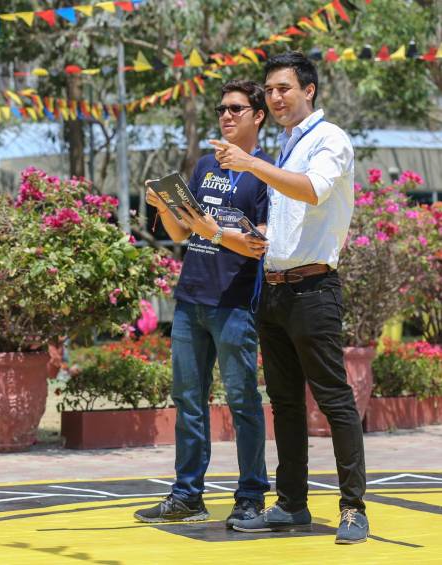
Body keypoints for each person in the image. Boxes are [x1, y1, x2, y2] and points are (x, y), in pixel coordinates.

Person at [210, 51, 368, 544]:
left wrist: (251, 164)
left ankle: (353, 510)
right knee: (284, 404)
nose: (275, 98)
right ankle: (292, 505)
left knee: (335, 400)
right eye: (271, 90)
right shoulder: (286, 145)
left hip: (315, 289)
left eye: (284, 89)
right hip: (274, 290)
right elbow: (287, 217)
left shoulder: (329, 139)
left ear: (309, 90)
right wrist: (254, 234)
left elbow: (314, 192)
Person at [134, 80, 272, 527]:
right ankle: (187, 494)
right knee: (188, 400)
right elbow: (180, 234)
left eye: (236, 108)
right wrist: (163, 205)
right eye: (221, 109)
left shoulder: (265, 173)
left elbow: (259, 244)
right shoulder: (204, 167)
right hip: (190, 298)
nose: (226, 116)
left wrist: (210, 229)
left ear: (258, 116)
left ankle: (250, 495)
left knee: (242, 401)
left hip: (234, 304)